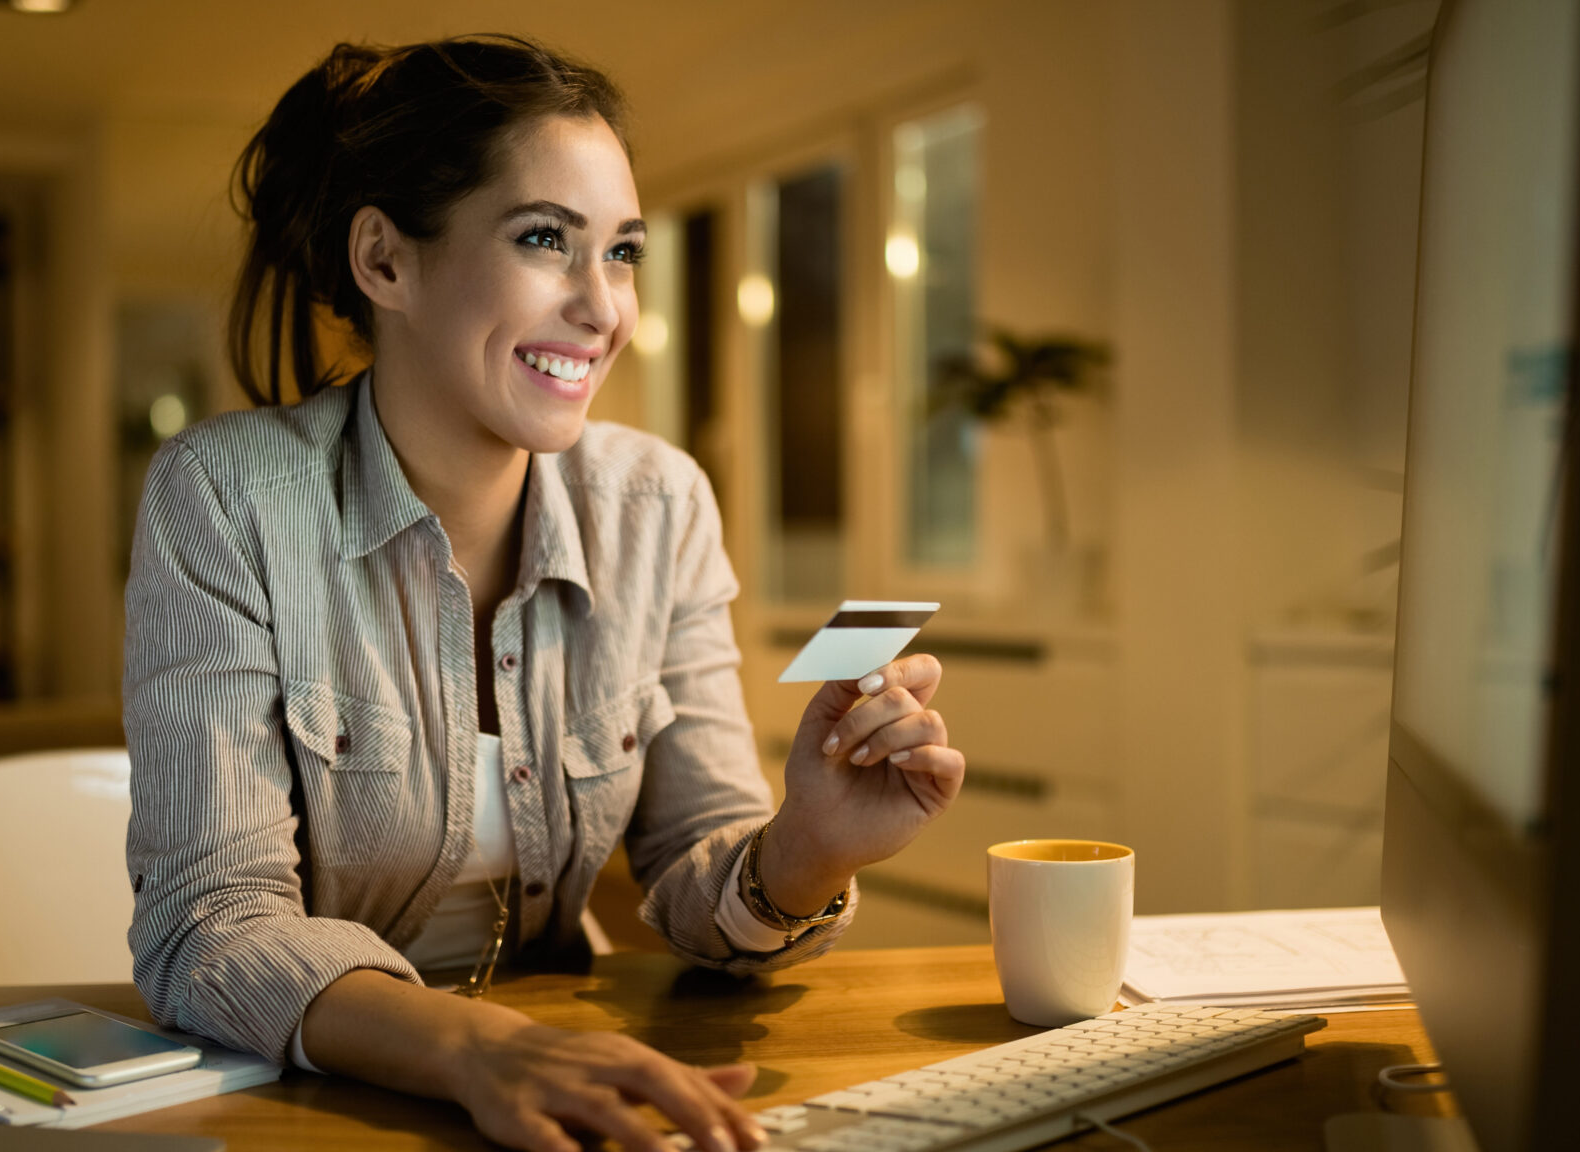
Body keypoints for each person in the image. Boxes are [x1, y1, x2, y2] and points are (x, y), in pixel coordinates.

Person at [123, 34, 967, 1152]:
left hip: (561, 1079)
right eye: (542, 241)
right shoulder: (223, 499)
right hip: (314, 1100)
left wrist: (807, 848)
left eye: (621, 253)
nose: (603, 307)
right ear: (384, 261)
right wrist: (473, 1048)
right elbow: (211, 927)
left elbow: (695, 861)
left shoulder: (657, 503)